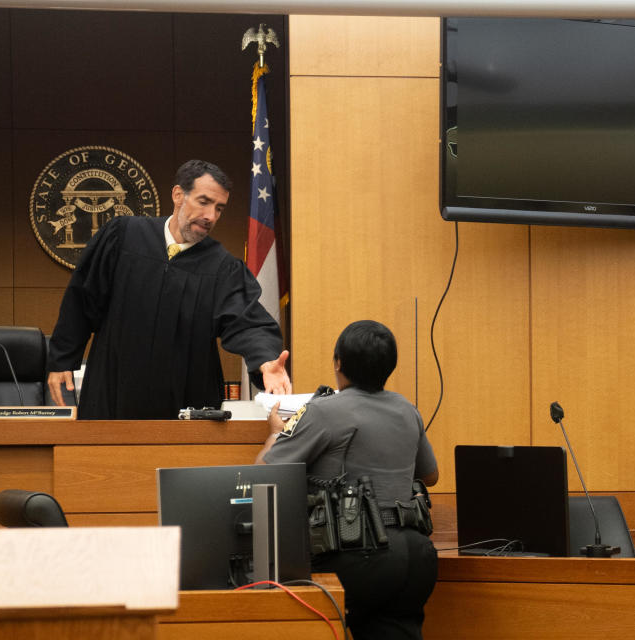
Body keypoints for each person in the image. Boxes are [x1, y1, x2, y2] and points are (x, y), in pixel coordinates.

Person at [47, 159, 291, 419]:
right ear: (178, 195)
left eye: (219, 208)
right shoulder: (124, 237)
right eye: (204, 202)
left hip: (186, 403)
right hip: (113, 393)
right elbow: (82, 297)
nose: (211, 216)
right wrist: (62, 358)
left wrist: (265, 360)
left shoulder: (223, 268)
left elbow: (248, 321)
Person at [256, 320, 438, 640]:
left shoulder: (322, 411)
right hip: (417, 554)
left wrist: (275, 433)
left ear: (339, 362)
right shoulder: (408, 409)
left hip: (361, 556)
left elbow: (267, 471)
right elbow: (431, 475)